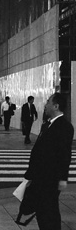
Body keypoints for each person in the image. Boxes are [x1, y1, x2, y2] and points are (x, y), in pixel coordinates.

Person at [24, 92, 74, 230]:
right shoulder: (47, 125)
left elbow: (65, 156)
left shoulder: (64, 127)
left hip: (51, 179)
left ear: (56, 106)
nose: (45, 105)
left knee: (49, 212)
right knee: (42, 211)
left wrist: (63, 179)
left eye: (48, 102)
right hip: (40, 177)